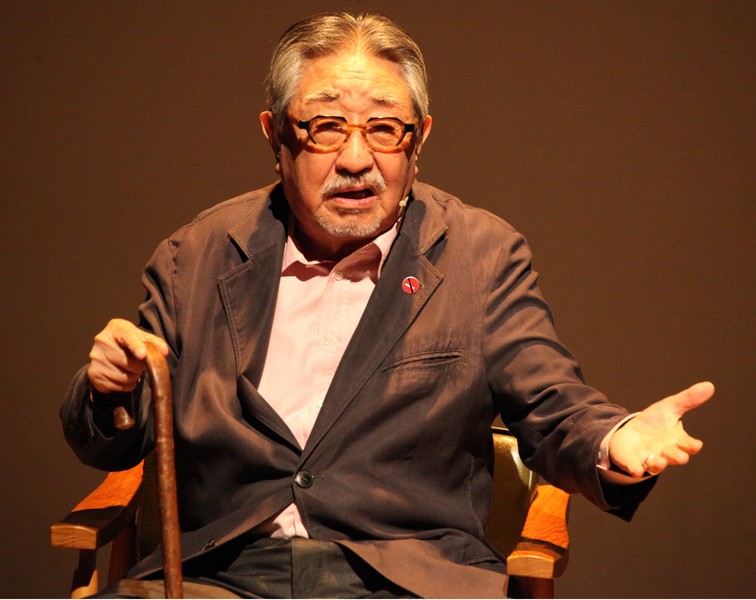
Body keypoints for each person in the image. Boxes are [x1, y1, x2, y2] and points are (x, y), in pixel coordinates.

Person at [61, 12, 714, 599]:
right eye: (325, 128)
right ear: (275, 135)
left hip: (407, 579)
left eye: (383, 129)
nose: (356, 158)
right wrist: (108, 388)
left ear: (418, 138)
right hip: (219, 575)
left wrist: (616, 439)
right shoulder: (199, 252)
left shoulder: (478, 255)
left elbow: (553, 407)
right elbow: (119, 431)